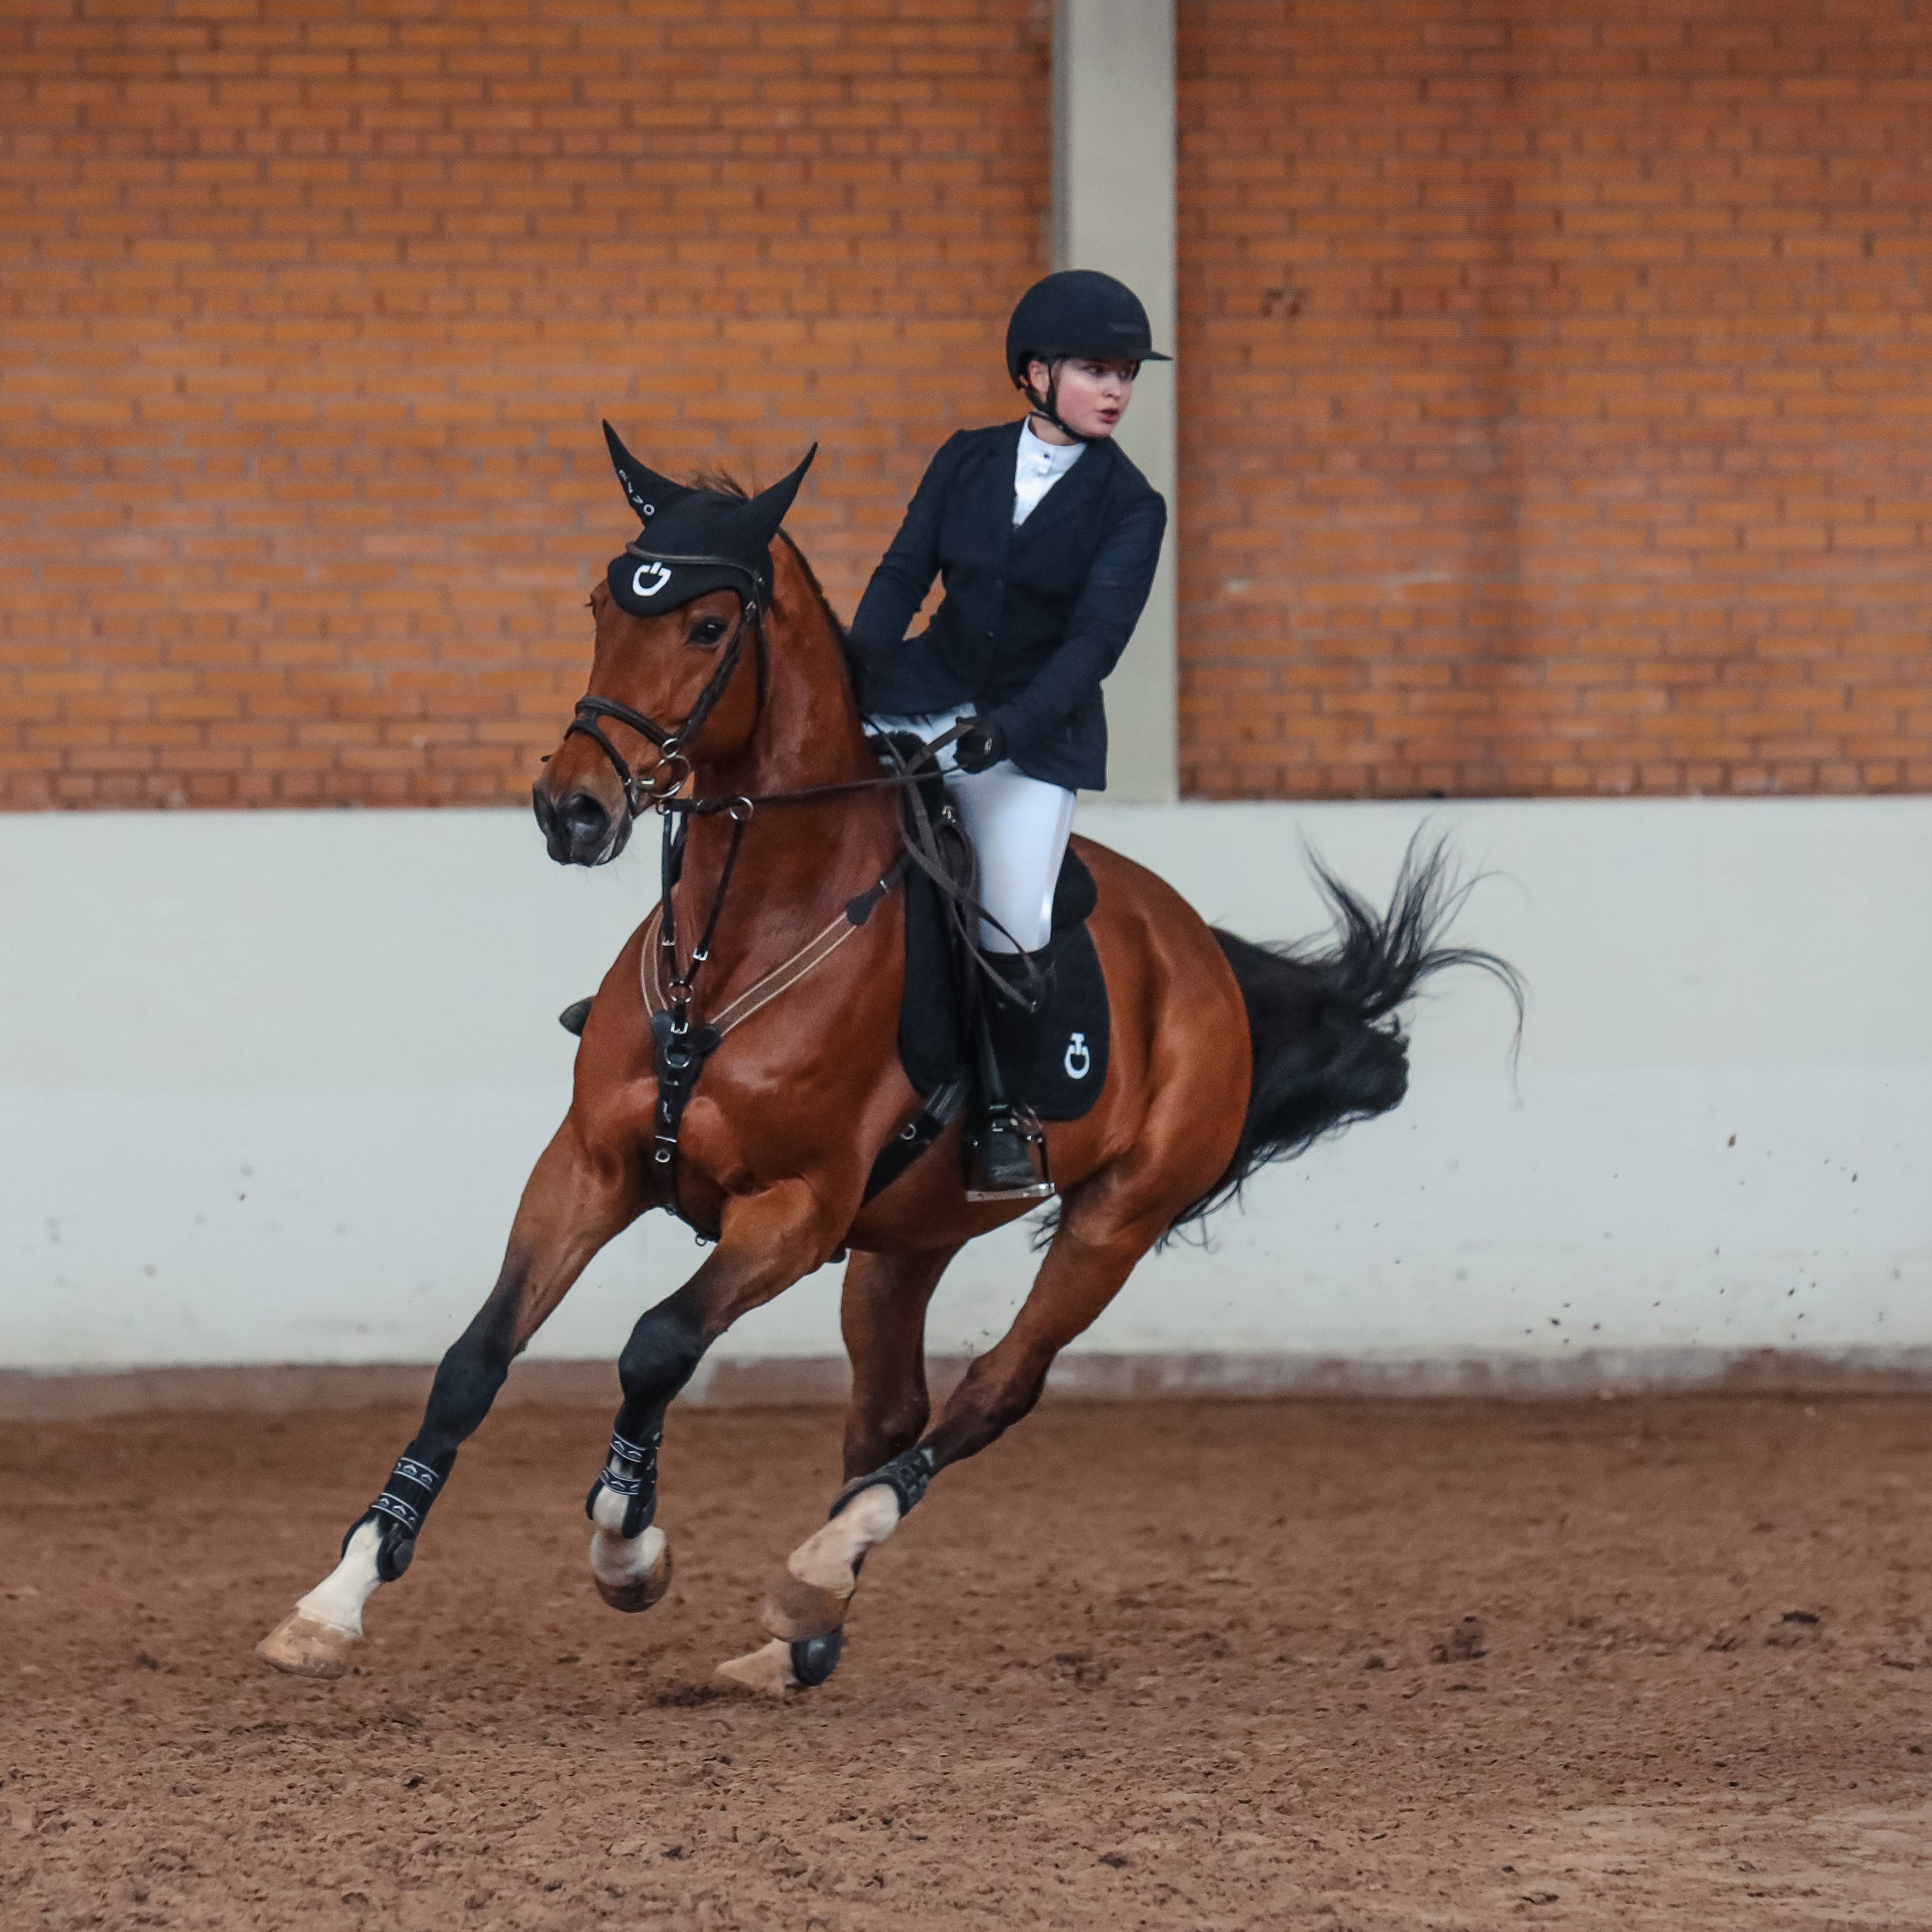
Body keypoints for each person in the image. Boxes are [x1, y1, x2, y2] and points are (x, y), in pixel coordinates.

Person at [846, 269, 1170, 1201]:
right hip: (922, 689)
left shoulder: (1130, 506)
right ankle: (674, 1009)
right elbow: (903, 575)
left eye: (1126, 375)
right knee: (775, 791)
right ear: (1035, 373)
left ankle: (1000, 1115)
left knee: (1011, 914)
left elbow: (1092, 648)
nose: (1117, 390)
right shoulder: (965, 460)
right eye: (1097, 370)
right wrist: (854, 677)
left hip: (1028, 737)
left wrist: (1009, 730)